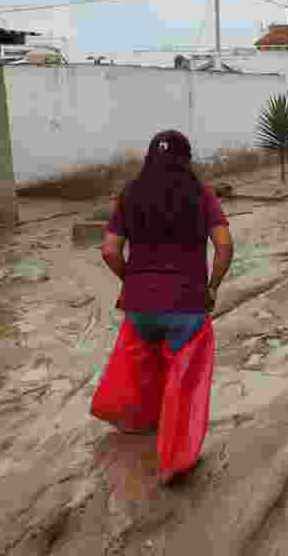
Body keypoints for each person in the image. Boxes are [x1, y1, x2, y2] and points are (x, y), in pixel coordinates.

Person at [95, 130, 234, 483]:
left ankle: (140, 425)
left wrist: (132, 281)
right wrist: (212, 288)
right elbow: (224, 247)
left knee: (144, 371)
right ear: (187, 160)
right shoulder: (202, 196)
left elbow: (110, 250)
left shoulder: (130, 194)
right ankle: (175, 458)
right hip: (187, 306)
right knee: (184, 384)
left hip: (140, 308)